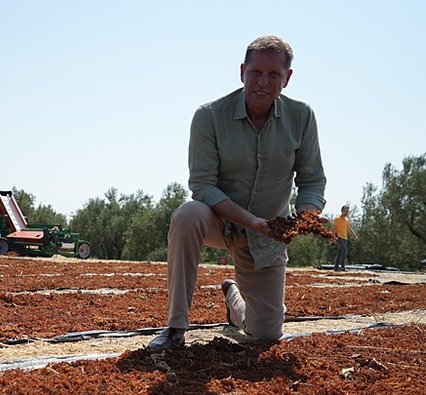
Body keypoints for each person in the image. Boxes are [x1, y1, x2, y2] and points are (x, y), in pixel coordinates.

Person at [147, 35, 327, 350]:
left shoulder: (302, 117)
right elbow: (202, 185)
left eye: (274, 75)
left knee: (266, 333)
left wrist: (306, 216)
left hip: (267, 235)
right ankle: (175, 327)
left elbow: (312, 179)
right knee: (187, 215)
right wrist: (249, 219)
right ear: (242, 71)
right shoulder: (209, 116)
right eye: (256, 72)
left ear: (287, 79)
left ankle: (233, 299)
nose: (263, 82)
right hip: (218, 222)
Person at [331, 205, 359, 271]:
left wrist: (354, 235)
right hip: (339, 237)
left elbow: (349, 229)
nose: (346, 212)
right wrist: (334, 238)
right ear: (342, 211)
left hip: (345, 238)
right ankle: (342, 266)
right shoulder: (337, 219)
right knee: (345, 250)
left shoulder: (346, 220)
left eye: (347, 211)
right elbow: (334, 228)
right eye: (345, 211)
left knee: (340, 252)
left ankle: (336, 267)